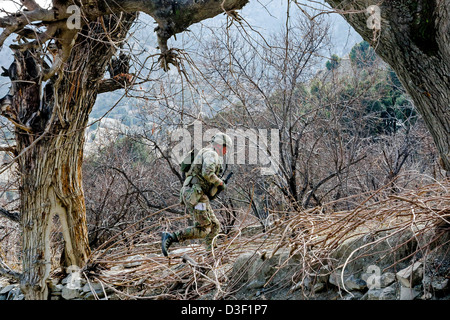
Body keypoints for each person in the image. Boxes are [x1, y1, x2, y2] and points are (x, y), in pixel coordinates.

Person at [161, 132, 233, 256]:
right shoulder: (212, 154)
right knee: (204, 229)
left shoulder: (205, 151)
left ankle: (210, 253)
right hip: (196, 195)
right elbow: (207, 173)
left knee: (215, 225)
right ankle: (171, 237)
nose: (226, 151)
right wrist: (220, 183)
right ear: (221, 145)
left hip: (196, 194)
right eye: (226, 147)